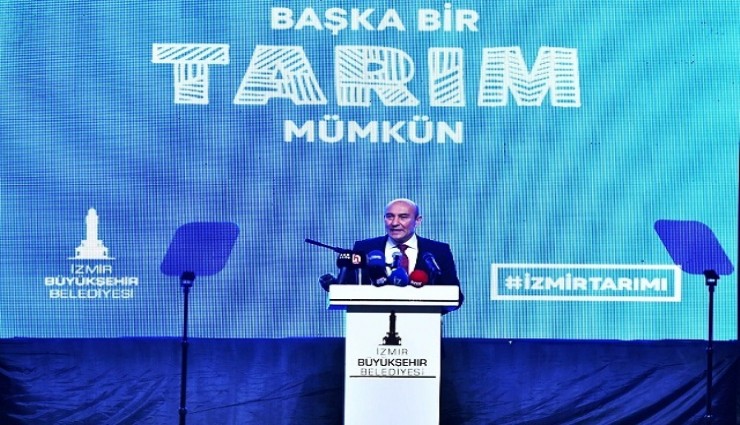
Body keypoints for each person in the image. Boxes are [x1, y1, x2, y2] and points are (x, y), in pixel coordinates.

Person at [353, 198, 464, 310]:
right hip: (372, 318)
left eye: (403, 217)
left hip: (424, 319)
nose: (394, 223)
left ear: (418, 221)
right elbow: (348, 290)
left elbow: (456, 297)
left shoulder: (438, 251)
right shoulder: (364, 248)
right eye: (390, 216)